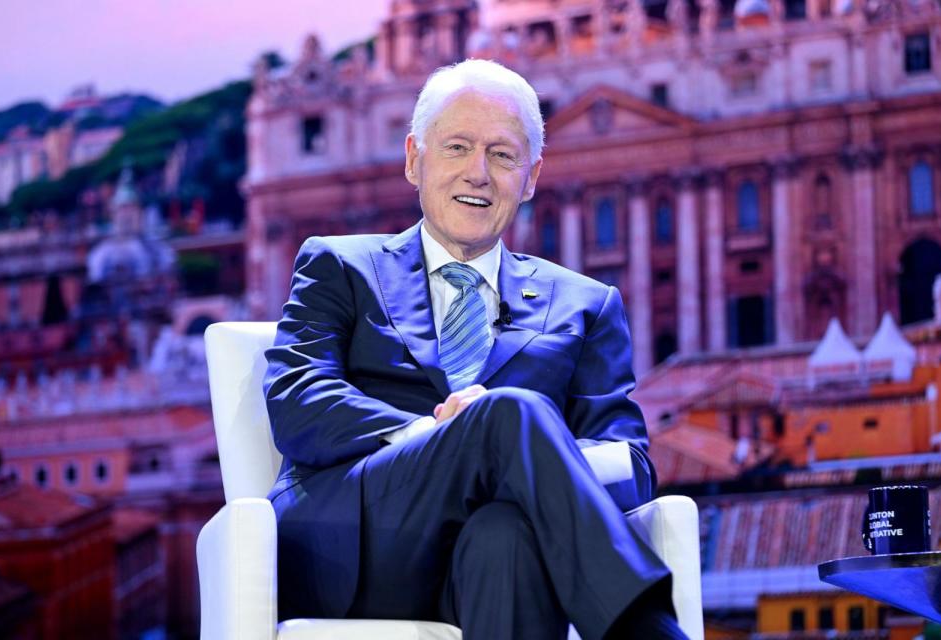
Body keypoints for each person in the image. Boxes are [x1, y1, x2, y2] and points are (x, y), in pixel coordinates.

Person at [264, 59, 687, 640]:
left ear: (531, 177)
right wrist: (451, 434)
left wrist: (524, 458)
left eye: (503, 155)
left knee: (505, 534)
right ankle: (647, 629)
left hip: (501, 558)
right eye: (458, 147)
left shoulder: (588, 305)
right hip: (359, 545)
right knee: (508, 410)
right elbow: (297, 401)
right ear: (415, 159)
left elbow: (630, 464)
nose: (478, 174)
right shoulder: (339, 264)